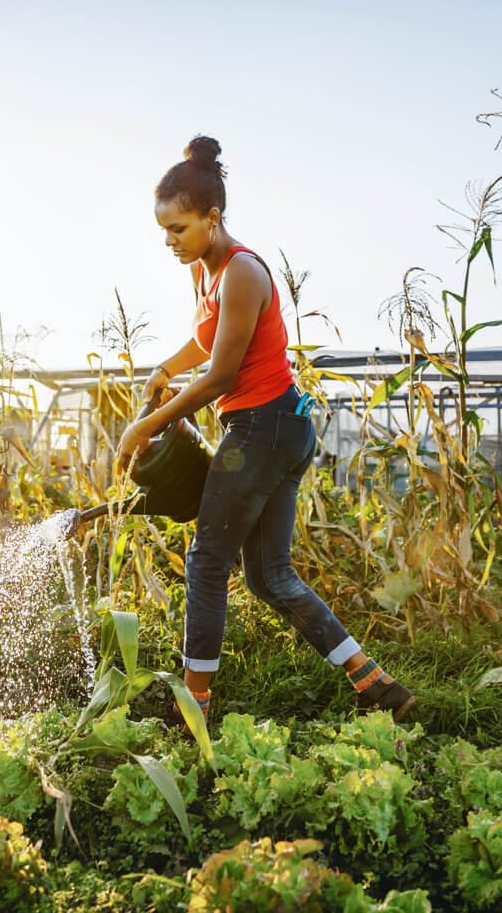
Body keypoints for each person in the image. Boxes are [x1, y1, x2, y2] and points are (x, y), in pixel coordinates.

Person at [116, 136, 415, 724]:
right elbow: (208, 341)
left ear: (212, 217)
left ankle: (193, 706)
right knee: (269, 577)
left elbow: (223, 373)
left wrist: (145, 426)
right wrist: (165, 369)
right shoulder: (207, 272)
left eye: (178, 228)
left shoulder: (242, 272)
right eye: (164, 230)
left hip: (262, 429)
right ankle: (378, 686)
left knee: (206, 562)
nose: (169, 241)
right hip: (274, 428)